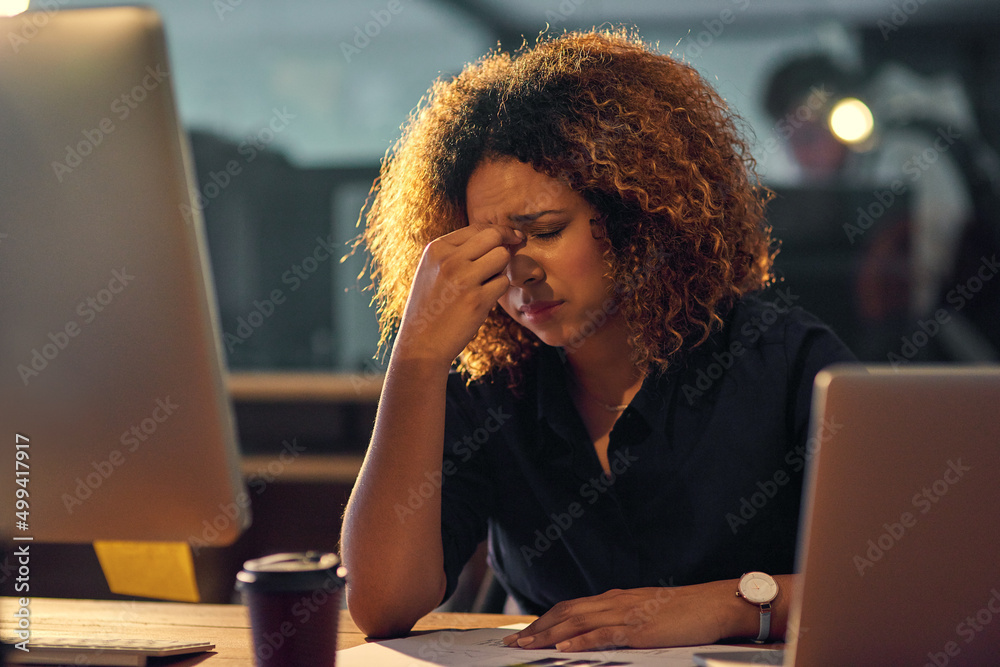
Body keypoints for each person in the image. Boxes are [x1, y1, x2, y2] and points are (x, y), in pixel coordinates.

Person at [340, 29, 856, 651]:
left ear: (638, 219)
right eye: (488, 246)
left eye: (547, 230)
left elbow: (899, 575)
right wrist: (417, 354)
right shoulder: (489, 379)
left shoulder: (784, 364)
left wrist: (726, 606)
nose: (518, 271)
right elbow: (381, 604)